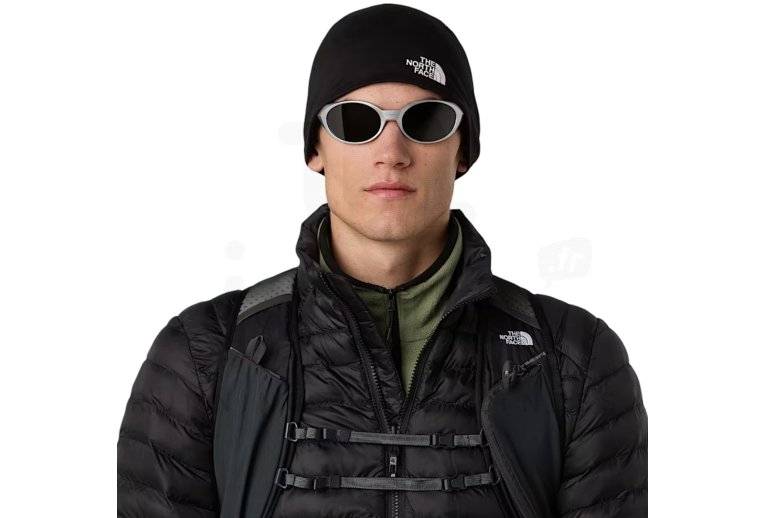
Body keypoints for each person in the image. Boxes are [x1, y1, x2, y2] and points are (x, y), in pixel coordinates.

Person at [117, 4, 647, 517]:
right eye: (356, 121)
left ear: (462, 150)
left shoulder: (574, 363)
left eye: (426, 120)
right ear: (315, 149)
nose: (391, 152)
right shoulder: (203, 358)